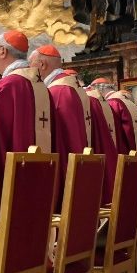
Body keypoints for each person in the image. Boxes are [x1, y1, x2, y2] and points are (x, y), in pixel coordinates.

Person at [0, 29, 52, 216]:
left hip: (16, 176)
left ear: (2, 51)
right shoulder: (41, 85)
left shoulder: (8, 85)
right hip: (43, 171)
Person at [30, 45, 90, 204]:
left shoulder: (57, 91)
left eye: (31, 65)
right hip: (84, 165)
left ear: (42, 65)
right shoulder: (75, 87)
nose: (30, 71)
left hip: (68, 170)